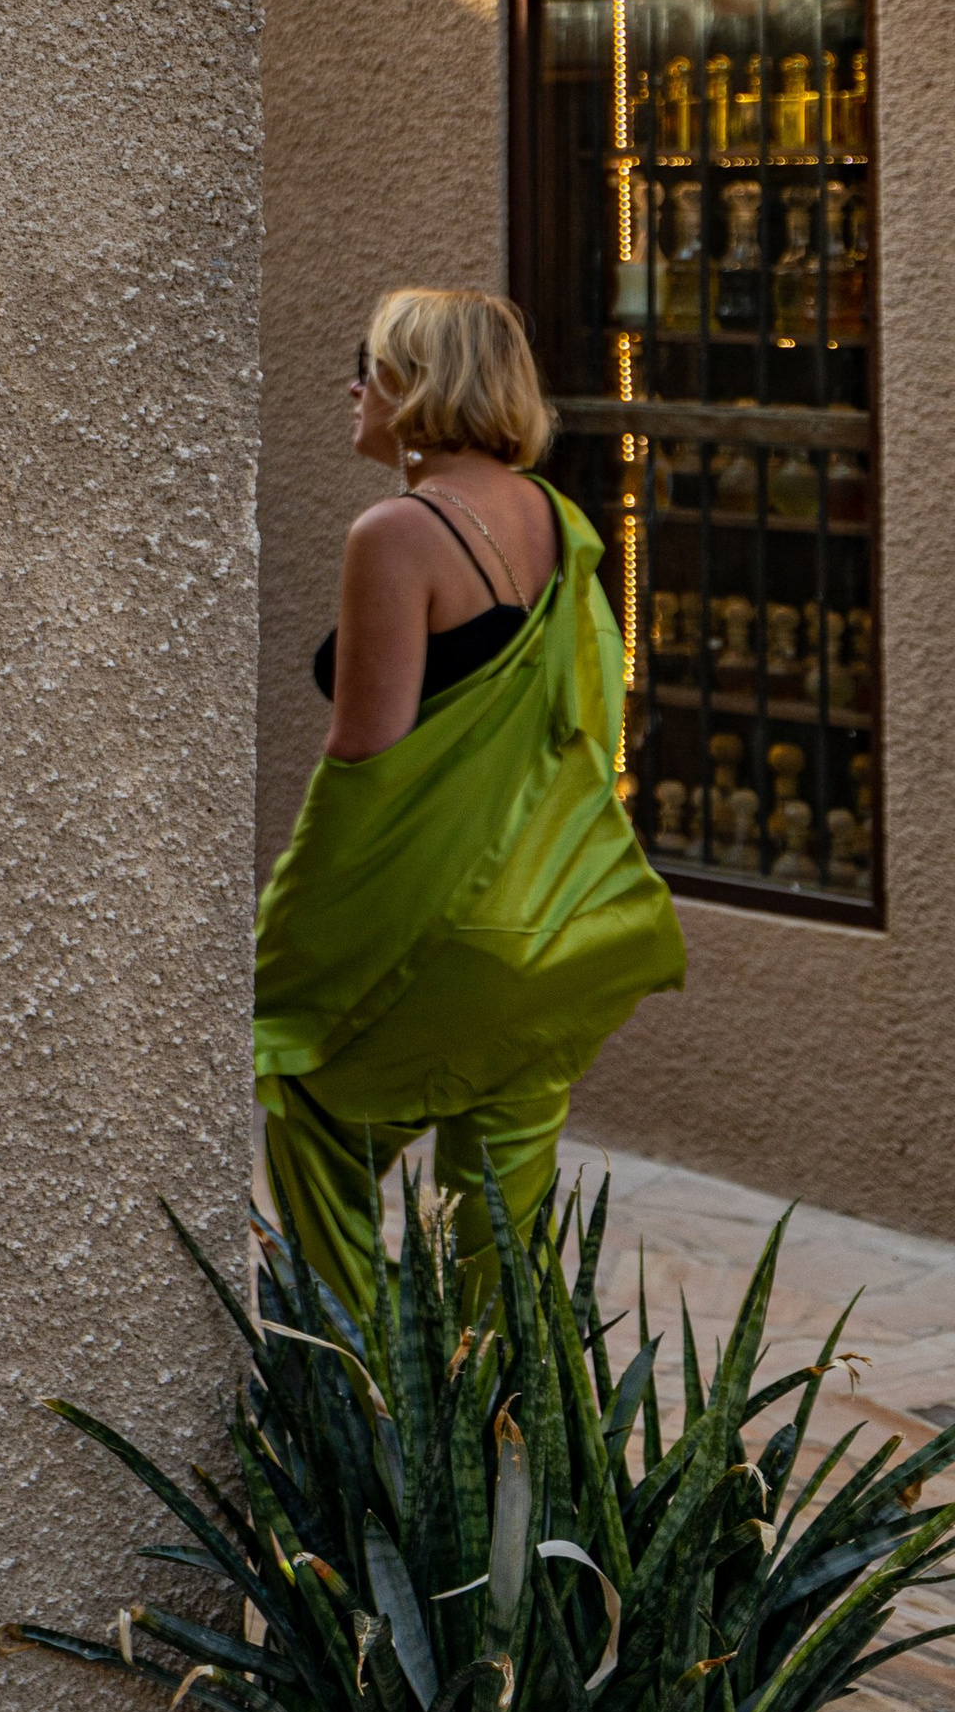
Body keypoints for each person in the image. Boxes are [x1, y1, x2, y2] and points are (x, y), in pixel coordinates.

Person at [254, 285, 685, 1314]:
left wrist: (290, 938)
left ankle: (355, 1394)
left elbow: (364, 764)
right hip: (552, 938)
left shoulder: (396, 534)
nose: (353, 388)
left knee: (311, 1105)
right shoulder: (559, 521)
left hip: (445, 934)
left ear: (418, 385)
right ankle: (505, 1410)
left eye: (369, 367)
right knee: (502, 1246)